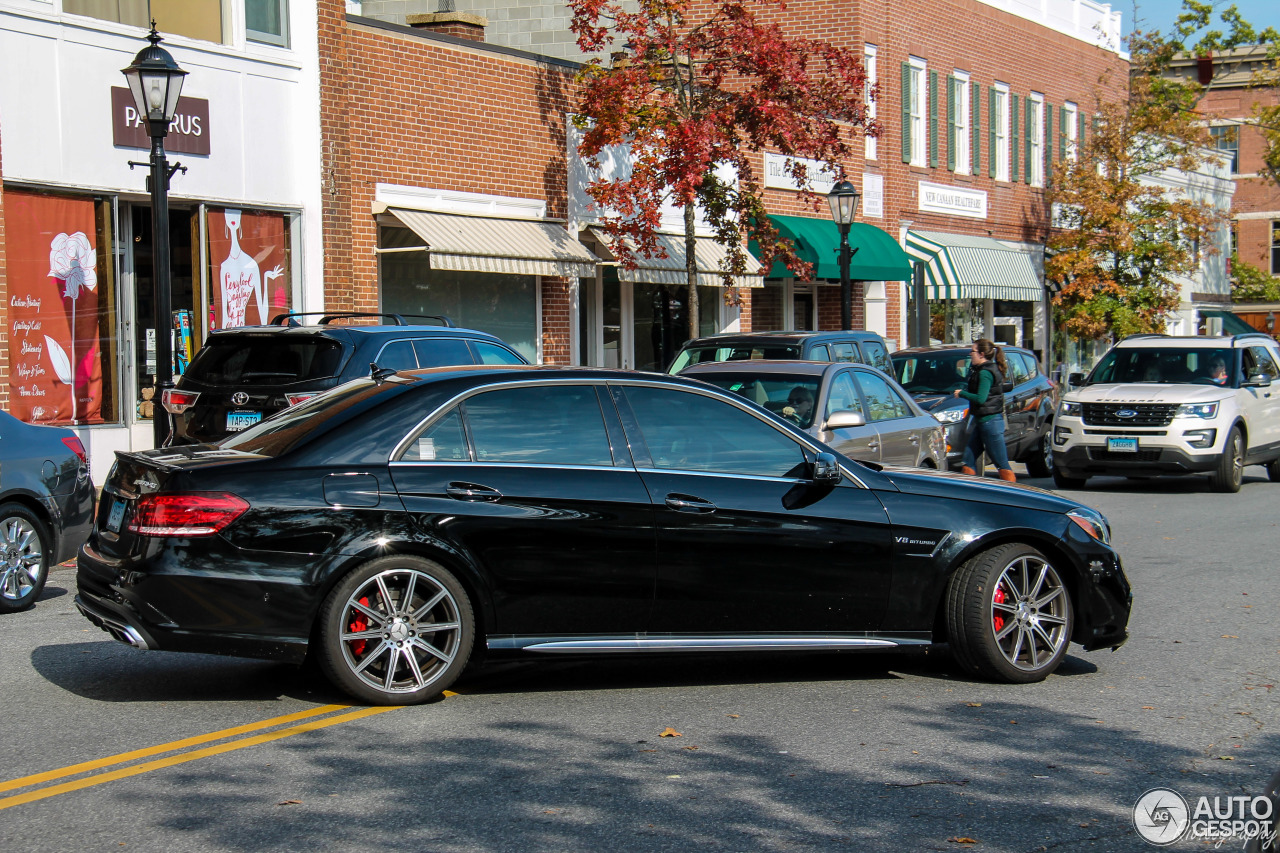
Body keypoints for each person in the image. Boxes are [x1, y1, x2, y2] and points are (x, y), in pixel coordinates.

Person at [953, 339, 1016, 482]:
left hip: (990, 423)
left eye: (972, 351)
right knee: (968, 459)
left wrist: (961, 393)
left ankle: (1014, 495)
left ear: (981, 354)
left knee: (1001, 463)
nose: (970, 354)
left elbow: (981, 398)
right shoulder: (982, 370)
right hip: (982, 422)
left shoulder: (985, 373)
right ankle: (969, 494)